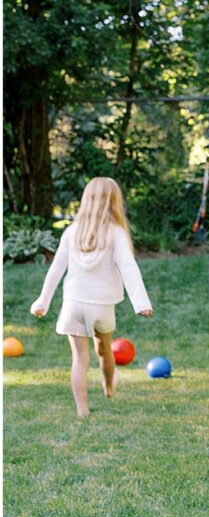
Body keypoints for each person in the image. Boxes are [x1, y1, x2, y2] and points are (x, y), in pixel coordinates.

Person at [30, 177, 153, 417]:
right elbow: (129, 268)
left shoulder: (71, 232)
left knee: (79, 359)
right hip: (102, 307)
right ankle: (108, 387)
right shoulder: (115, 233)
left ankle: (82, 410)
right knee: (105, 350)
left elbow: (56, 269)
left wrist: (42, 301)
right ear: (114, 202)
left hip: (73, 305)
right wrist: (141, 303)